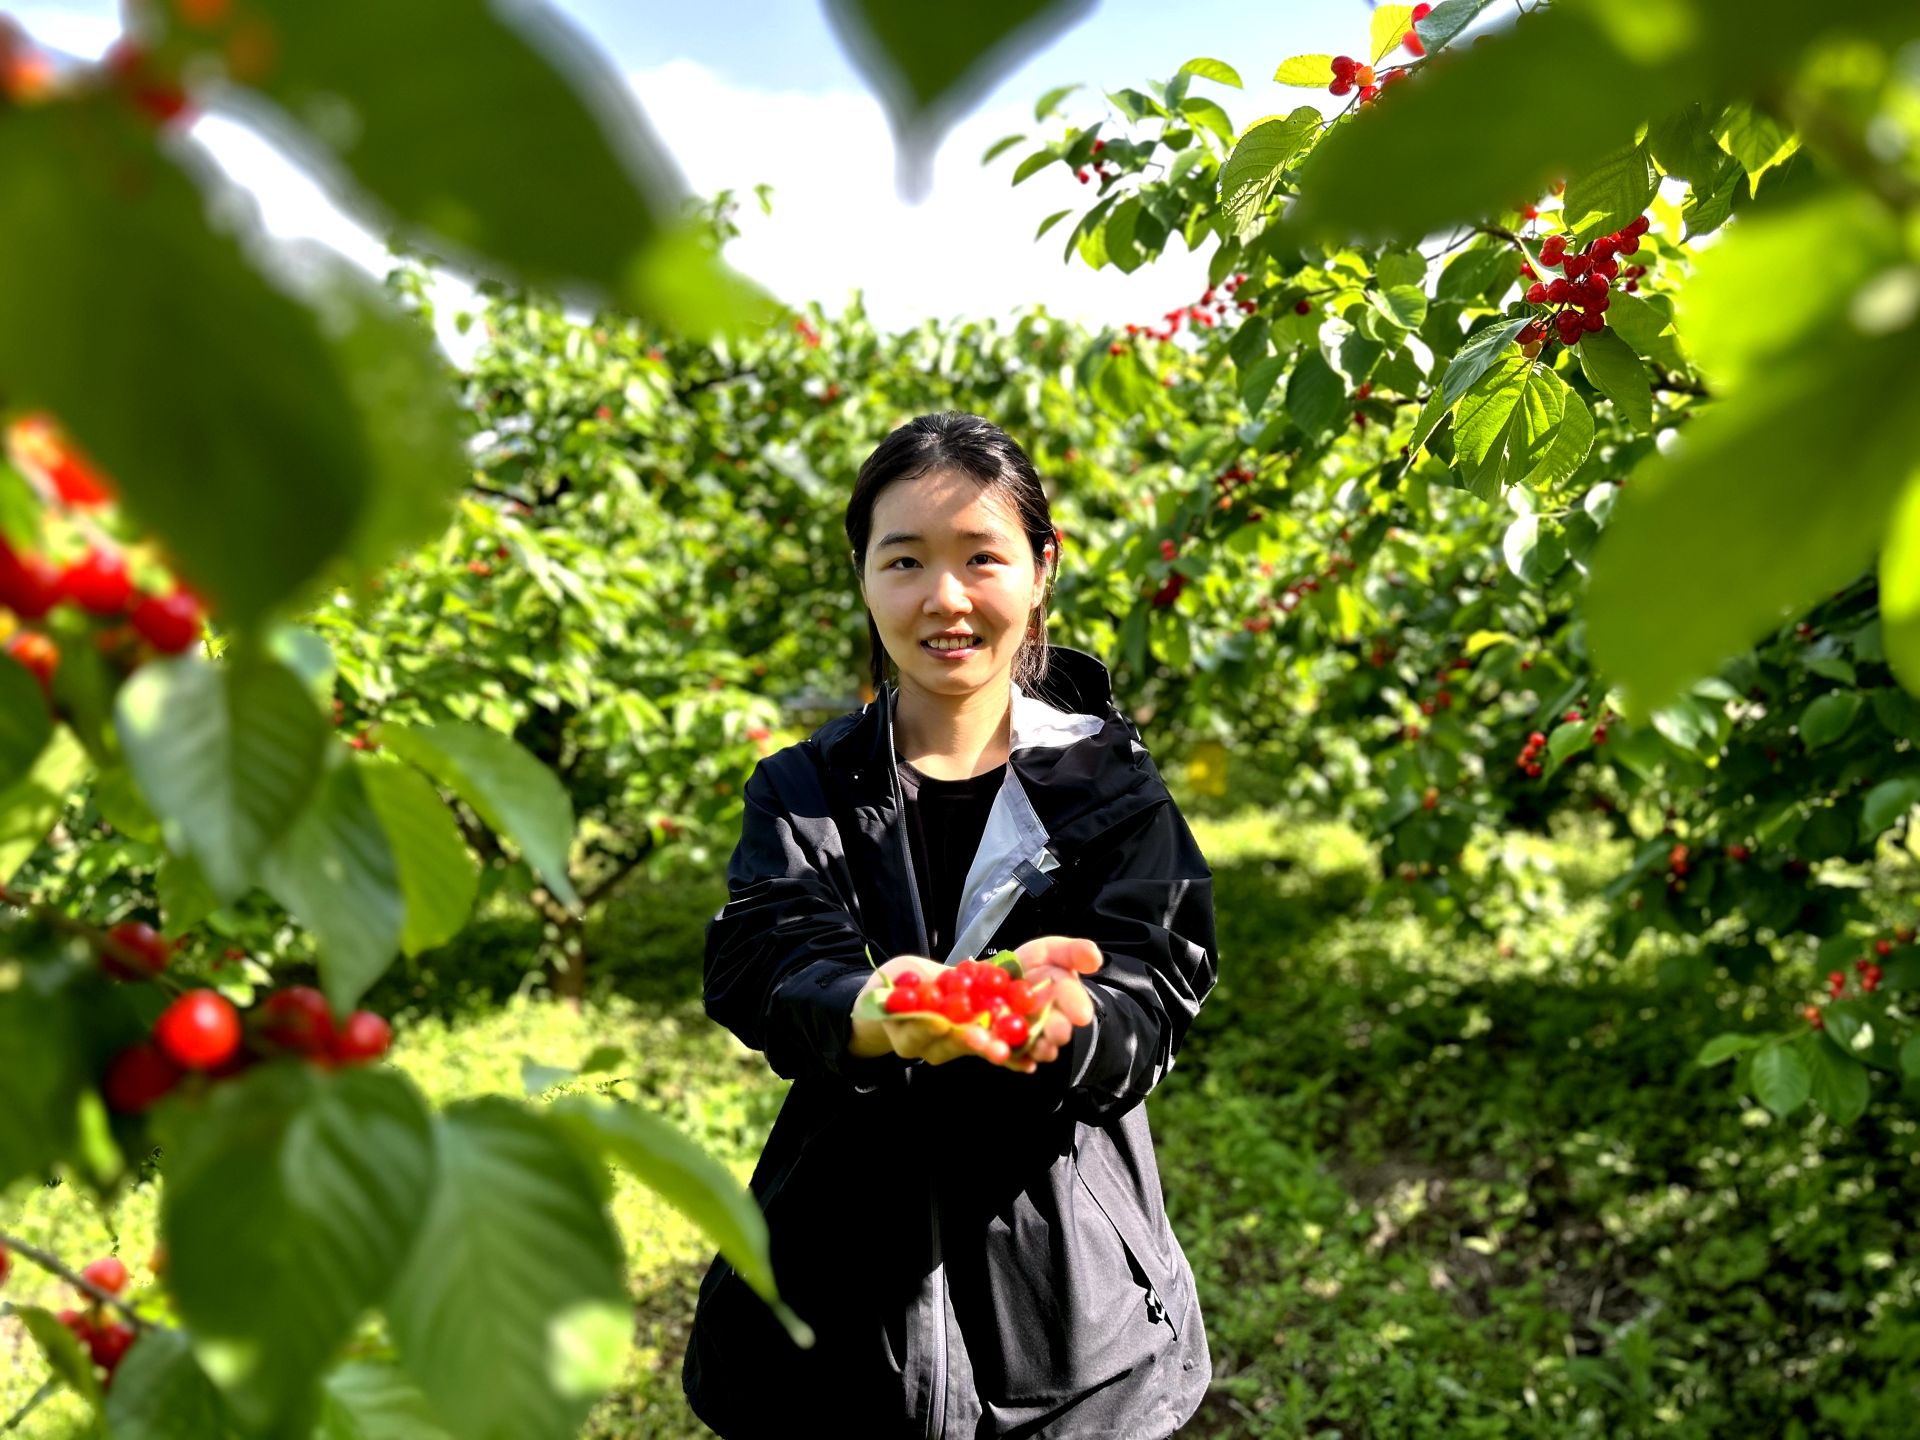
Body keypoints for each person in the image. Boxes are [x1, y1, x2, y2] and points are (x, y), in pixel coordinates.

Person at [682, 411, 1218, 1438]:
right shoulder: (804, 789)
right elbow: (762, 954)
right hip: (840, 1290)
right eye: (905, 561)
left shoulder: (1111, 791)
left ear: (1041, 568)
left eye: (982, 557)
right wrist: (870, 1005)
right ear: (863, 575)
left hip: (1067, 1304)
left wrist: (1079, 1018)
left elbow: (1156, 983)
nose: (945, 598)